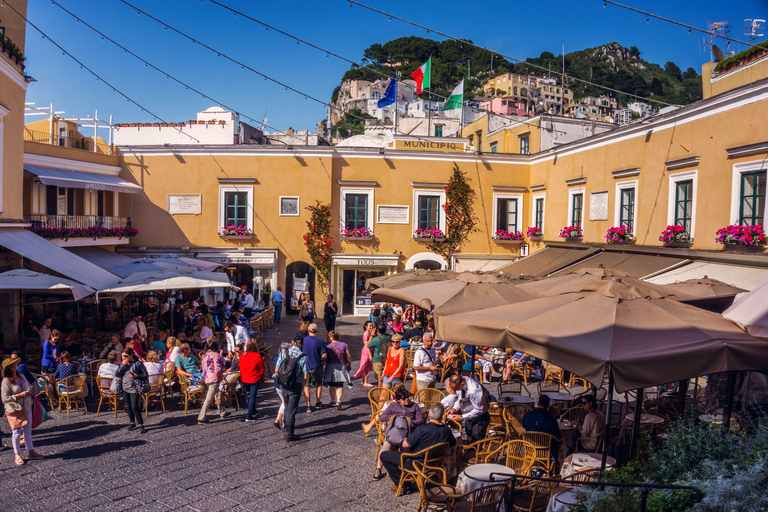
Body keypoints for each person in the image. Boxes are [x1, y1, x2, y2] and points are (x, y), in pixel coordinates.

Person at [380, 403, 456, 492]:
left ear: (429, 414)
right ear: (442, 415)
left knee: (384, 455)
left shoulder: (422, 428)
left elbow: (405, 444)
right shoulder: (447, 430)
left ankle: (402, 484)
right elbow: (453, 445)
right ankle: (410, 479)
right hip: (435, 462)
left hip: (417, 463)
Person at [365, 385, 425, 480]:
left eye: (407, 397)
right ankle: (378, 469)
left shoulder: (414, 406)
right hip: (396, 432)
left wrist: (409, 422)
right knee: (385, 448)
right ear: (398, 400)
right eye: (404, 398)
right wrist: (394, 417)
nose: (407, 400)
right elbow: (382, 417)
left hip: (409, 433)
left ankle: (406, 470)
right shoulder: (392, 406)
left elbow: (420, 420)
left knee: (409, 450)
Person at [2, 357, 45, 465]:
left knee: (27, 430)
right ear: (8, 368)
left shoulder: (21, 376)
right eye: (12, 365)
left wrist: (29, 390)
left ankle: (31, 451)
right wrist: (20, 395)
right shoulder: (6, 381)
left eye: (15, 364)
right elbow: (5, 398)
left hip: (27, 407)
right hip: (16, 410)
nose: (15, 366)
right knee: (16, 432)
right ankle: (17, 455)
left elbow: (28, 386)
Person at [275, 335, 309, 441]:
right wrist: (302, 386)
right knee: (291, 410)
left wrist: (282, 379)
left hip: (284, 385)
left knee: (286, 406)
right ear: (302, 344)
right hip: (295, 385)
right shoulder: (303, 356)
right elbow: (306, 376)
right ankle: (289, 434)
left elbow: (276, 370)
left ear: (292, 342)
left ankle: (286, 430)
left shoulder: (283, 353)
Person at [443, 373, 490, 444]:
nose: (454, 390)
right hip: (468, 414)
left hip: (479, 418)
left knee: (476, 441)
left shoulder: (474, 391)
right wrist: (454, 408)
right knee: (469, 435)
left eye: (455, 389)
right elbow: (460, 398)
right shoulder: (462, 380)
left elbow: (479, 409)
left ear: (462, 384)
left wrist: (461, 417)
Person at [115, 347, 148, 434]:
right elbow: (117, 374)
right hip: (125, 387)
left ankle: (141, 424)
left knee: (134, 406)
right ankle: (132, 422)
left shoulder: (138, 363)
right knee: (128, 406)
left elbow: (145, 374)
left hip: (134, 387)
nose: (124, 358)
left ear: (131, 355)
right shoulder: (123, 363)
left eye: (126, 356)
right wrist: (122, 365)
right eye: (123, 356)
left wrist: (136, 376)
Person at [197, 338, 229, 424]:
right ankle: (201, 417)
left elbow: (202, 367)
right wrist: (223, 377)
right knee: (209, 399)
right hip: (214, 378)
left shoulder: (204, 355)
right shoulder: (216, 355)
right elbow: (218, 368)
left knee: (217, 394)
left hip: (207, 378)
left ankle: (223, 412)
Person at [521, 394, 562, 460]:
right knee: (562, 445)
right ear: (548, 406)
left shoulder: (528, 414)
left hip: (528, 448)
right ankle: (558, 466)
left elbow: (523, 425)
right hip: (545, 452)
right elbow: (558, 436)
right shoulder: (551, 419)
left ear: (537, 403)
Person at [324, 330, 352, 410]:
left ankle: (333, 400)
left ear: (331, 337)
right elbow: (348, 356)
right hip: (341, 366)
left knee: (332, 385)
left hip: (330, 367)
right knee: (339, 385)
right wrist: (349, 365)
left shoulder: (328, 347)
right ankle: (338, 401)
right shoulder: (344, 345)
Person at [239, 338, 266, 422]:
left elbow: (241, 366)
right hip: (254, 378)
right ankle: (249, 415)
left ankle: (253, 411)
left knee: (250, 395)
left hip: (245, 379)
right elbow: (262, 367)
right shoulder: (257, 356)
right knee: (252, 397)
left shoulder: (243, 355)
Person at [302, 324, 327, 412]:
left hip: (305, 367)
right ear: (316, 331)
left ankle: (308, 405)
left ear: (308, 330)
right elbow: (324, 355)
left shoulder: (303, 340)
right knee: (318, 384)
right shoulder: (320, 341)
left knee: (306, 386)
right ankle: (318, 402)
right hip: (316, 365)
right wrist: (322, 364)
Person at [272, 342, 292, 430]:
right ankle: (280, 420)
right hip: (284, 383)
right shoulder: (289, 360)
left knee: (284, 401)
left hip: (277, 383)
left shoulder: (276, 359)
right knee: (286, 403)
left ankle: (280, 420)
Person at [353, 321, 375, 387]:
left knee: (365, 366)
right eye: (370, 326)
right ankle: (365, 381)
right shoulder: (366, 334)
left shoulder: (368, 333)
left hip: (366, 351)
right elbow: (366, 345)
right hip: (367, 352)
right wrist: (370, 355)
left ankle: (363, 381)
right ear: (366, 326)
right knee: (366, 367)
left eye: (372, 325)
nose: (371, 327)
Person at [368, 325, 391, 389]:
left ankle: (381, 395)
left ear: (377, 331)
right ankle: (387, 393)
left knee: (379, 379)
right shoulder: (389, 337)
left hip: (378, 360)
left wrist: (372, 335)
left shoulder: (376, 339)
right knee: (387, 378)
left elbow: (368, 345)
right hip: (388, 359)